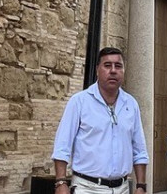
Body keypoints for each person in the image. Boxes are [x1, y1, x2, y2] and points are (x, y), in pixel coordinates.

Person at [52, 47, 149, 194]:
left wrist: (141, 186)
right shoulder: (79, 102)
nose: (113, 70)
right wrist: (60, 182)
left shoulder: (131, 104)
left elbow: (139, 149)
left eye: (118, 66)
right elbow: (62, 146)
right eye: (107, 65)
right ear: (98, 69)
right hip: (87, 188)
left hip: (122, 188)